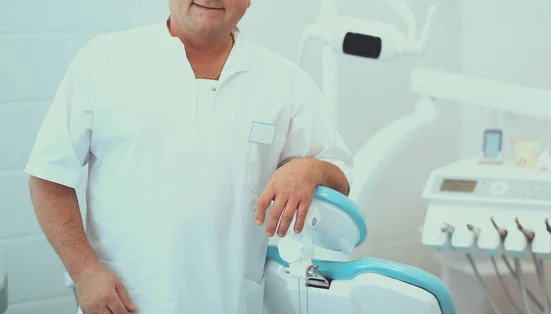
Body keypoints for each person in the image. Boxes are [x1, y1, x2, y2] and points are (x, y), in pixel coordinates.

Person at [25, 0, 353, 313]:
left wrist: (310, 169)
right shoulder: (103, 61)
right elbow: (47, 178)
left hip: (231, 303)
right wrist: (84, 272)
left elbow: (340, 176)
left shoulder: (286, 82)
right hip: (124, 303)